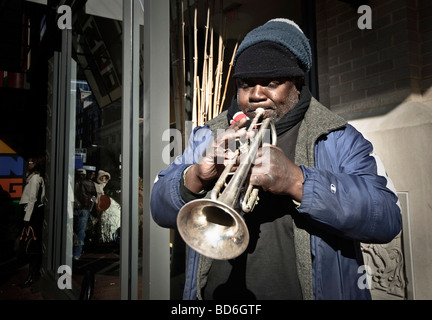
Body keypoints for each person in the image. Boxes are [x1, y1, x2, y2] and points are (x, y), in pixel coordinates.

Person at [150, 18, 402, 300]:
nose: (257, 95)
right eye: (246, 84)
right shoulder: (209, 135)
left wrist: (298, 181)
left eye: (271, 82)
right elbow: (158, 208)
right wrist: (195, 177)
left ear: (297, 83)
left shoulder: (338, 137)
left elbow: (387, 218)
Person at [18, 155, 46, 287]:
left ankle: (33, 274)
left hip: (32, 213)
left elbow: (33, 199)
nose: (29, 163)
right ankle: (33, 273)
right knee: (32, 243)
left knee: (32, 243)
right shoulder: (34, 177)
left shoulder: (35, 178)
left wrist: (27, 218)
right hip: (32, 212)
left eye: (31, 162)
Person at [73, 168, 97, 260]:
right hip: (85, 209)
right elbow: (94, 197)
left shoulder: (72, 182)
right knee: (81, 231)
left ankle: (70, 252)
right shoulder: (90, 183)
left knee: (71, 231)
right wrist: (90, 205)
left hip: (73, 208)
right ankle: (77, 253)